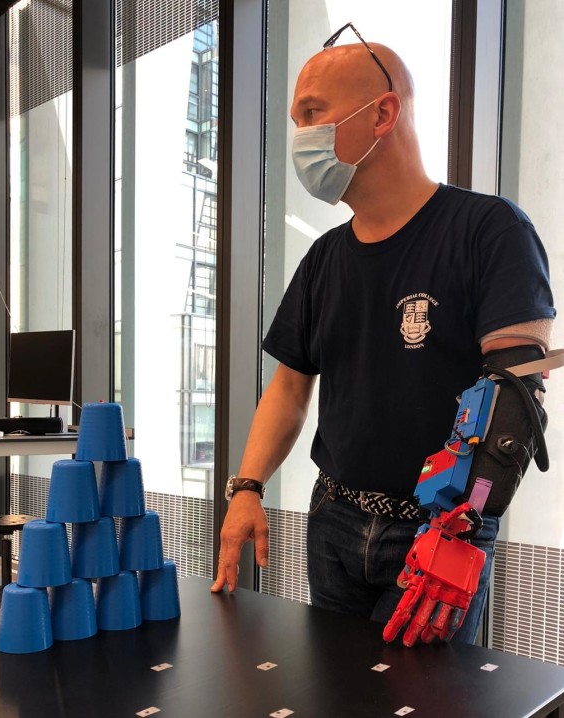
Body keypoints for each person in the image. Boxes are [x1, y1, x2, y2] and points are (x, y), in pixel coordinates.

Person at [210, 32, 555, 645]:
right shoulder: (323, 260)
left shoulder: (490, 230)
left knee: (421, 703)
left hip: (437, 532)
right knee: (337, 696)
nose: (301, 136)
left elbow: (516, 402)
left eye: (312, 113)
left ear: (383, 113)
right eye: (298, 120)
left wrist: (458, 531)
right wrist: (247, 488)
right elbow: (289, 387)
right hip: (334, 522)